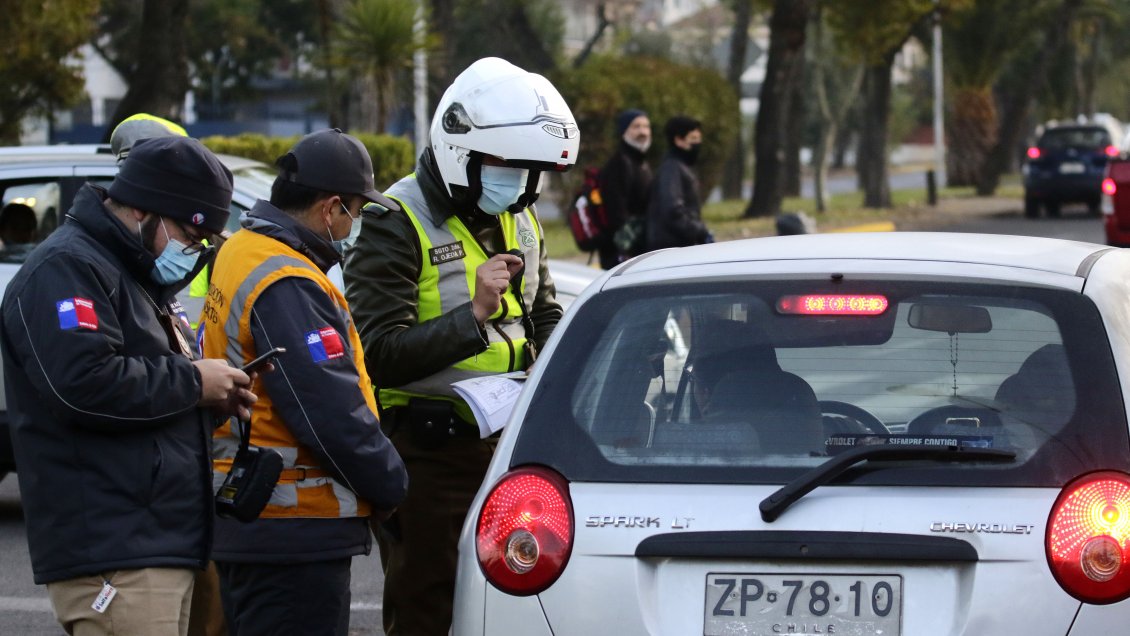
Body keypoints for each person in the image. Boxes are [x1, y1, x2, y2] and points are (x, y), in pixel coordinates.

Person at [343, 56, 577, 635]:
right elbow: (378, 352)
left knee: (518, 602)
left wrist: (560, 380)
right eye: (506, 165)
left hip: (511, 445)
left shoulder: (519, 216)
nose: (520, 182)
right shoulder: (394, 220)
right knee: (429, 604)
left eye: (531, 170)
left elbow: (543, 312)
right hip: (428, 454)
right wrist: (471, 317)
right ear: (461, 152)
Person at [0, 136, 257, 636]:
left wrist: (214, 399)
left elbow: (149, 395)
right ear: (142, 209)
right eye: (190, 233)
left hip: (159, 539)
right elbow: (83, 383)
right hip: (116, 549)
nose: (197, 251)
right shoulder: (66, 269)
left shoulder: (134, 274)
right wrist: (194, 381)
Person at [200, 128, 408, 636]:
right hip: (292, 527)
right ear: (331, 208)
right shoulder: (288, 280)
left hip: (251, 512)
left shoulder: (243, 249)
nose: (354, 225)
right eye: (356, 212)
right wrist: (391, 484)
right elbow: (329, 412)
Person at [645, 115, 713, 252]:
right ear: (678, 140)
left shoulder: (681, 166)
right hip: (672, 246)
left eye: (699, 139)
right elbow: (673, 210)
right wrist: (699, 231)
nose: (698, 143)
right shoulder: (672, 169)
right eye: (693, 139)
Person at [597, 108, 653, 268]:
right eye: (636, 127)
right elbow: (616, 213)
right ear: (623, 132)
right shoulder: (620, 164)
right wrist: (631, 246)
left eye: (646, 127)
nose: (643, 132)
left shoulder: (640, 162)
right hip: (622, 253)